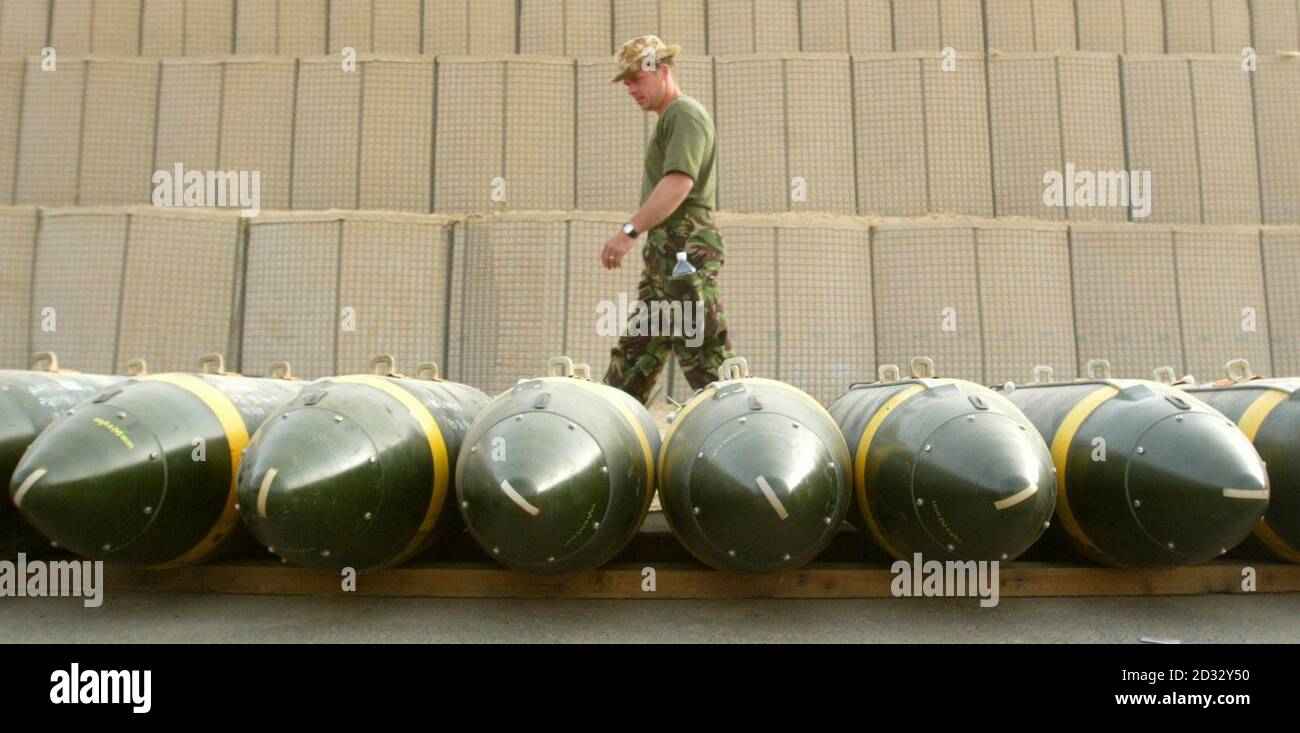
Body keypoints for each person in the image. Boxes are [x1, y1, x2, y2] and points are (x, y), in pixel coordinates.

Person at [601, 35, 735, 405]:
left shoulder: (684, 114)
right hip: (668, 246)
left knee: (702, 346)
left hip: (685, 244)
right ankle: (614, 415)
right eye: (626, 81)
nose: (630, 88)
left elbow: (679, 183)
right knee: (639, 350)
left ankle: (741, 415)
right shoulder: (669, 120)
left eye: (636, 79)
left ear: (662, 72)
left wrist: (629, 231)